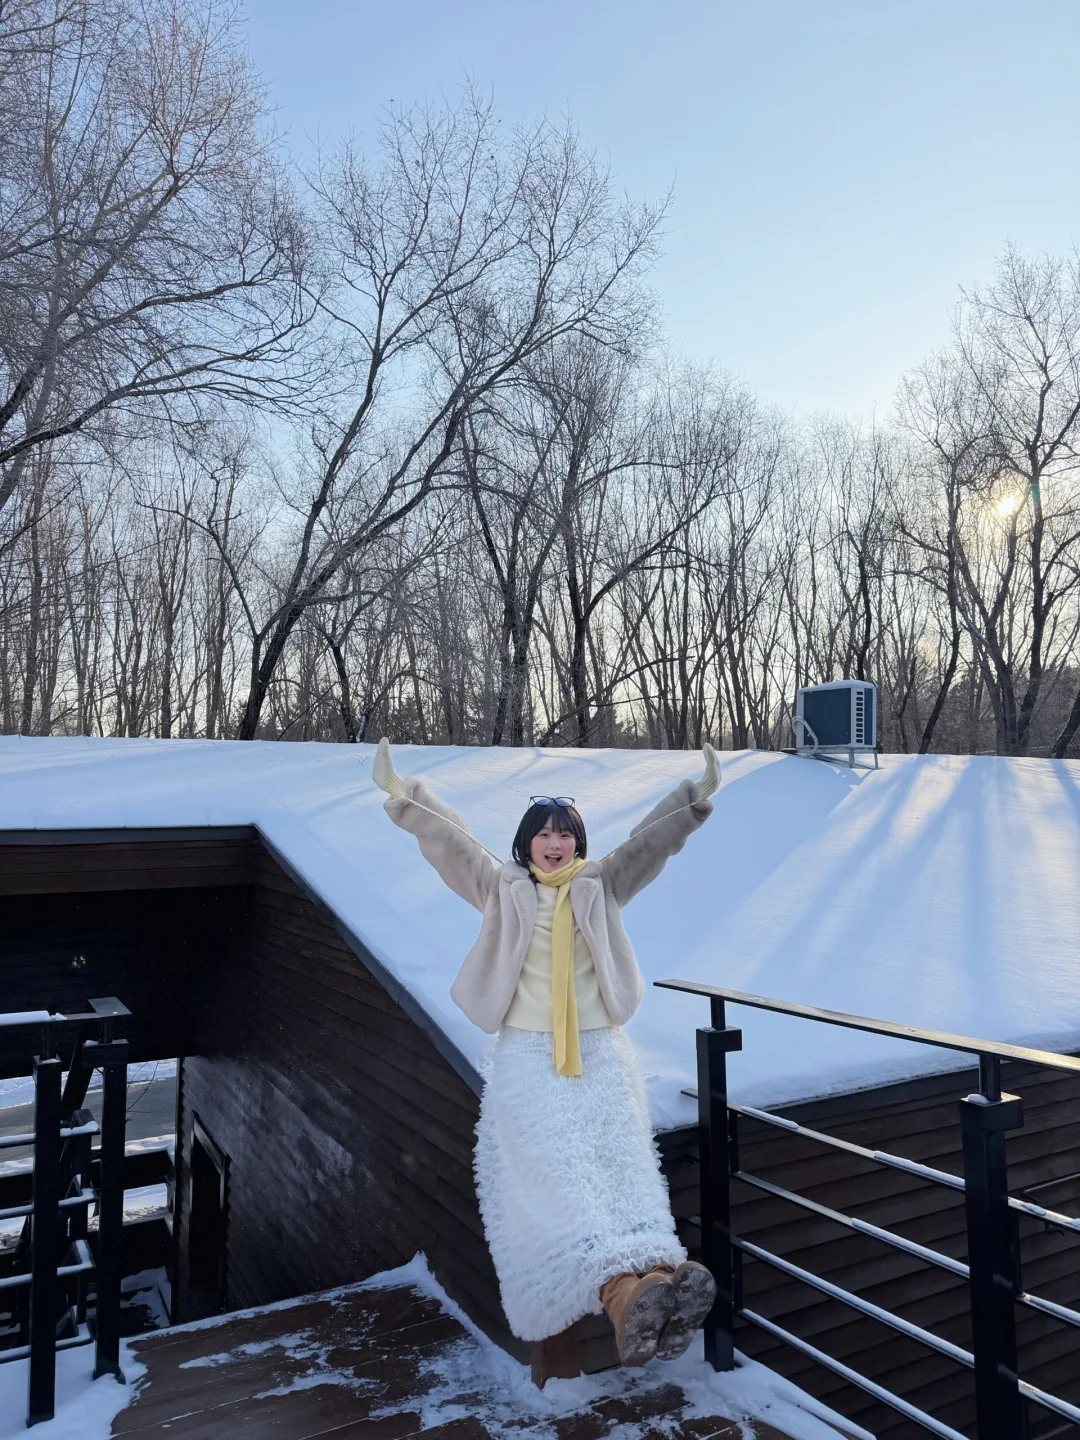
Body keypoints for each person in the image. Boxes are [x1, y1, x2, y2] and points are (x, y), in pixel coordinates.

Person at [372, 737, 721, 1369]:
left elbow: (649, 843)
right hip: (531, 1054)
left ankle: (663, 1284)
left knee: (621, 1168)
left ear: (578, 842)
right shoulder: (501, 889)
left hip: (599, 1050)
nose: (554, 843)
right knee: (563, 1178)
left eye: (565, 833)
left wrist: (692, 799)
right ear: (526, 842)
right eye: (543, 833)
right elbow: (451, 842)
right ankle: (621, 1293)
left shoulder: (599, 886)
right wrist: (405, 795)